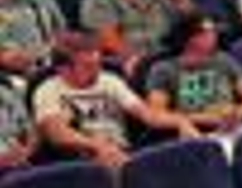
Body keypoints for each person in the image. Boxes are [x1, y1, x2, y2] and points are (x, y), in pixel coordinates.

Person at [34, 37, 196, 169]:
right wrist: (96, 145)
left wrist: (181, 121)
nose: (97, 70)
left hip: (123, 150)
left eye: (98, 64)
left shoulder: (110, 81)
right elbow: (56, 133)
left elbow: (148, 115)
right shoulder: (48, 90)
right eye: (88, 66)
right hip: (81, 157)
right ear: (63, 70)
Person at [144, 12, 242, 138]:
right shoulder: (163, 70)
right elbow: (156, 115)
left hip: (232, 127)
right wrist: (200, 119)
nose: (215, 35)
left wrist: (238, 113)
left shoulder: (223, 60)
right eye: (209, 32)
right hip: (195, 132)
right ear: (191, 39)